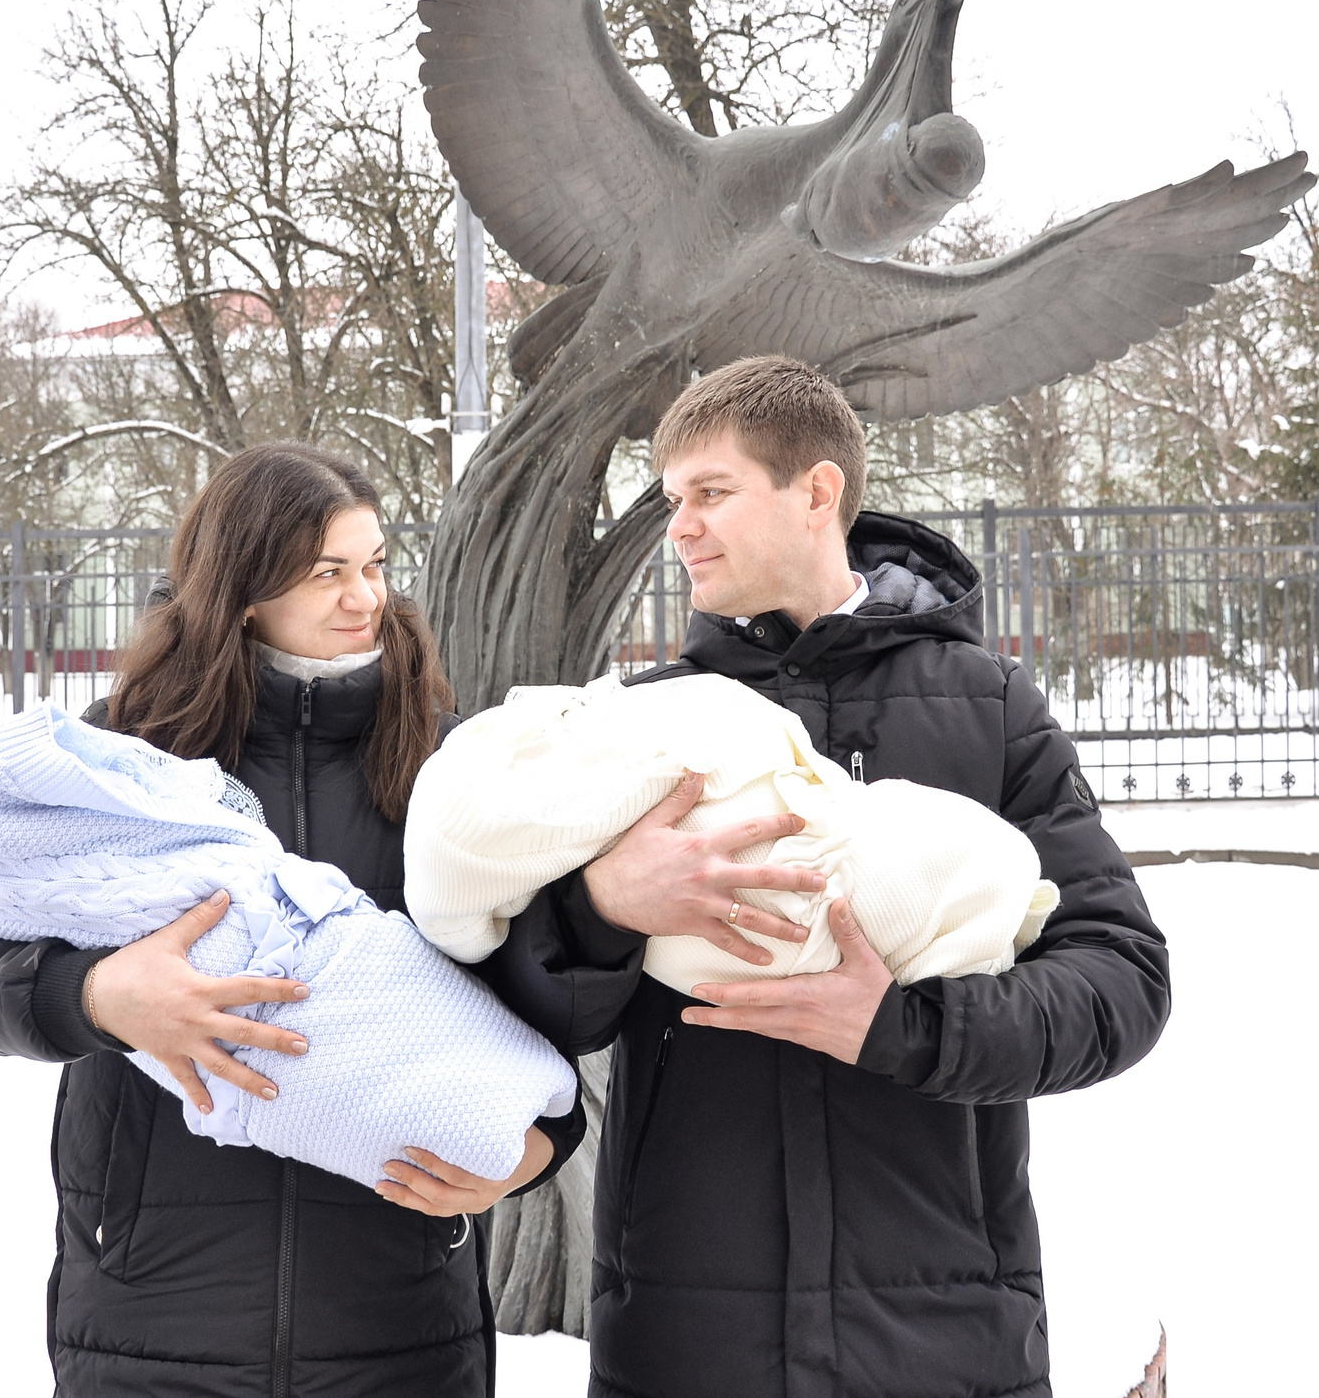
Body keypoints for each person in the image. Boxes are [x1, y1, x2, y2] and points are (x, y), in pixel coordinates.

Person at [475, 357, 1172, 1398]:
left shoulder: (988, 710)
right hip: (686, 1345)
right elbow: (520, 1007)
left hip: (941, 1340)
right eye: (672, 501)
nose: (680, 529)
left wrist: (902, 1025)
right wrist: (605, 912)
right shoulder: (632, 726)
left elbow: (1121, 982)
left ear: (815, 492)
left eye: (710, 493)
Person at [0, 442, 582, 1397]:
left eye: (376, 565)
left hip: (395, 1308)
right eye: (328, 573)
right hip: (153, 1312)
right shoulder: (123, 753)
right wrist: (98, 995)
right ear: (239, 588)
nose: (368, 598)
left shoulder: (449, 763)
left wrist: (537, 1146)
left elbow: (551, 979)